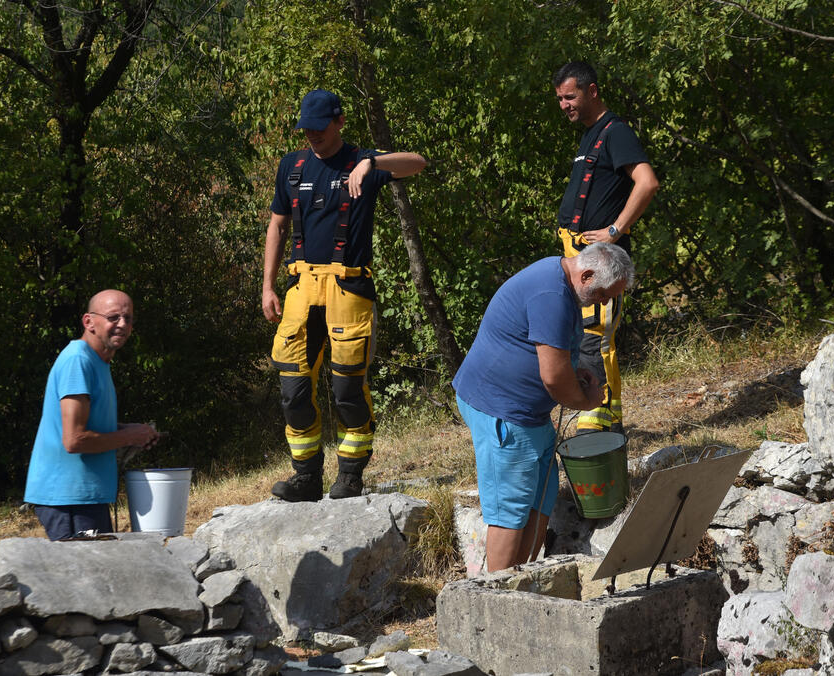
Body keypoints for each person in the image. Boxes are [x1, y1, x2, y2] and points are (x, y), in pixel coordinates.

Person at [263, 89, 428, 502]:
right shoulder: (292, 166)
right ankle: (305, 478)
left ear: (338, 122)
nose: (312, 136)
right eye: (306, 129)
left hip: (348, 288)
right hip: (301, 289)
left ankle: (351, 474)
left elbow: (417, 163)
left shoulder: (362, 161)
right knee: (293, 388)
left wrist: (373, 161)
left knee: (346, 390)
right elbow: (277, 227)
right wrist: (267, 286)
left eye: (319, 128)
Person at [453, 243, 635, 571]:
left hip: (529, 414)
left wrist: (573, 367)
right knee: (511, 511)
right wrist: (586, 401)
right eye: (605, 293)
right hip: (502, 411)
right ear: (588, 274)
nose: (606, 301)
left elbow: (552, 355)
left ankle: (525, 583)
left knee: (539, 500)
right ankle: (498, 599)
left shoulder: (562, 280)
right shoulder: (550, 294)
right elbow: (553, 378)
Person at [553, 61, 659, 436]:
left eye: (571, 96)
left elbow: (647, 182)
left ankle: (595, 420)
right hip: (577, 254)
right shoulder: (589, 135)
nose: (565, 105)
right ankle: (605, 415)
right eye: (560, 99)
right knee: (585, 334)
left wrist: (615, 230)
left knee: (595, 333)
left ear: (592, 91)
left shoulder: (615, 132)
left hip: (600, 257)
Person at [24, 290, 159, 540]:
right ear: (89, 322)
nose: (122, 324)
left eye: (128, 318)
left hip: (85, 496)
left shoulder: (98, 362)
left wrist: (131, 431)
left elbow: (90, 423)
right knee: (83, 576)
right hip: (69, 499)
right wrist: (128, 436)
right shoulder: (78, 361)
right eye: (113, 317)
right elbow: (74, 440)